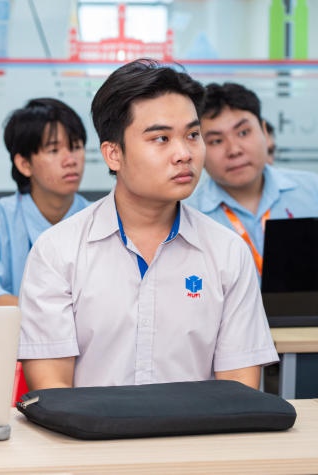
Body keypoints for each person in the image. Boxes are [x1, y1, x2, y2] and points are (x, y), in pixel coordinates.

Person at [17, 59, 279, 391]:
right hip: (89, 440)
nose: (184, 153)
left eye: (192, 135)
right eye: (161, 139)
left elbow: (240, 387)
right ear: (114, 154)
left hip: (196, 439)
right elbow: (51, 387)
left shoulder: (227, 252)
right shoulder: (58, 251)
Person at [186, 82, 318, 276]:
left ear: (265, 131)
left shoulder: (316, 192)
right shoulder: (188, 216)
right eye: (216, 141)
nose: (234, 150)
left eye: (243, 132)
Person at [0, 98, 90, 306]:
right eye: (54, 150)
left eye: (75, 147)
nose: (70, 160)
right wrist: (54, 318)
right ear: (24, 164)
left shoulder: (102, 221)